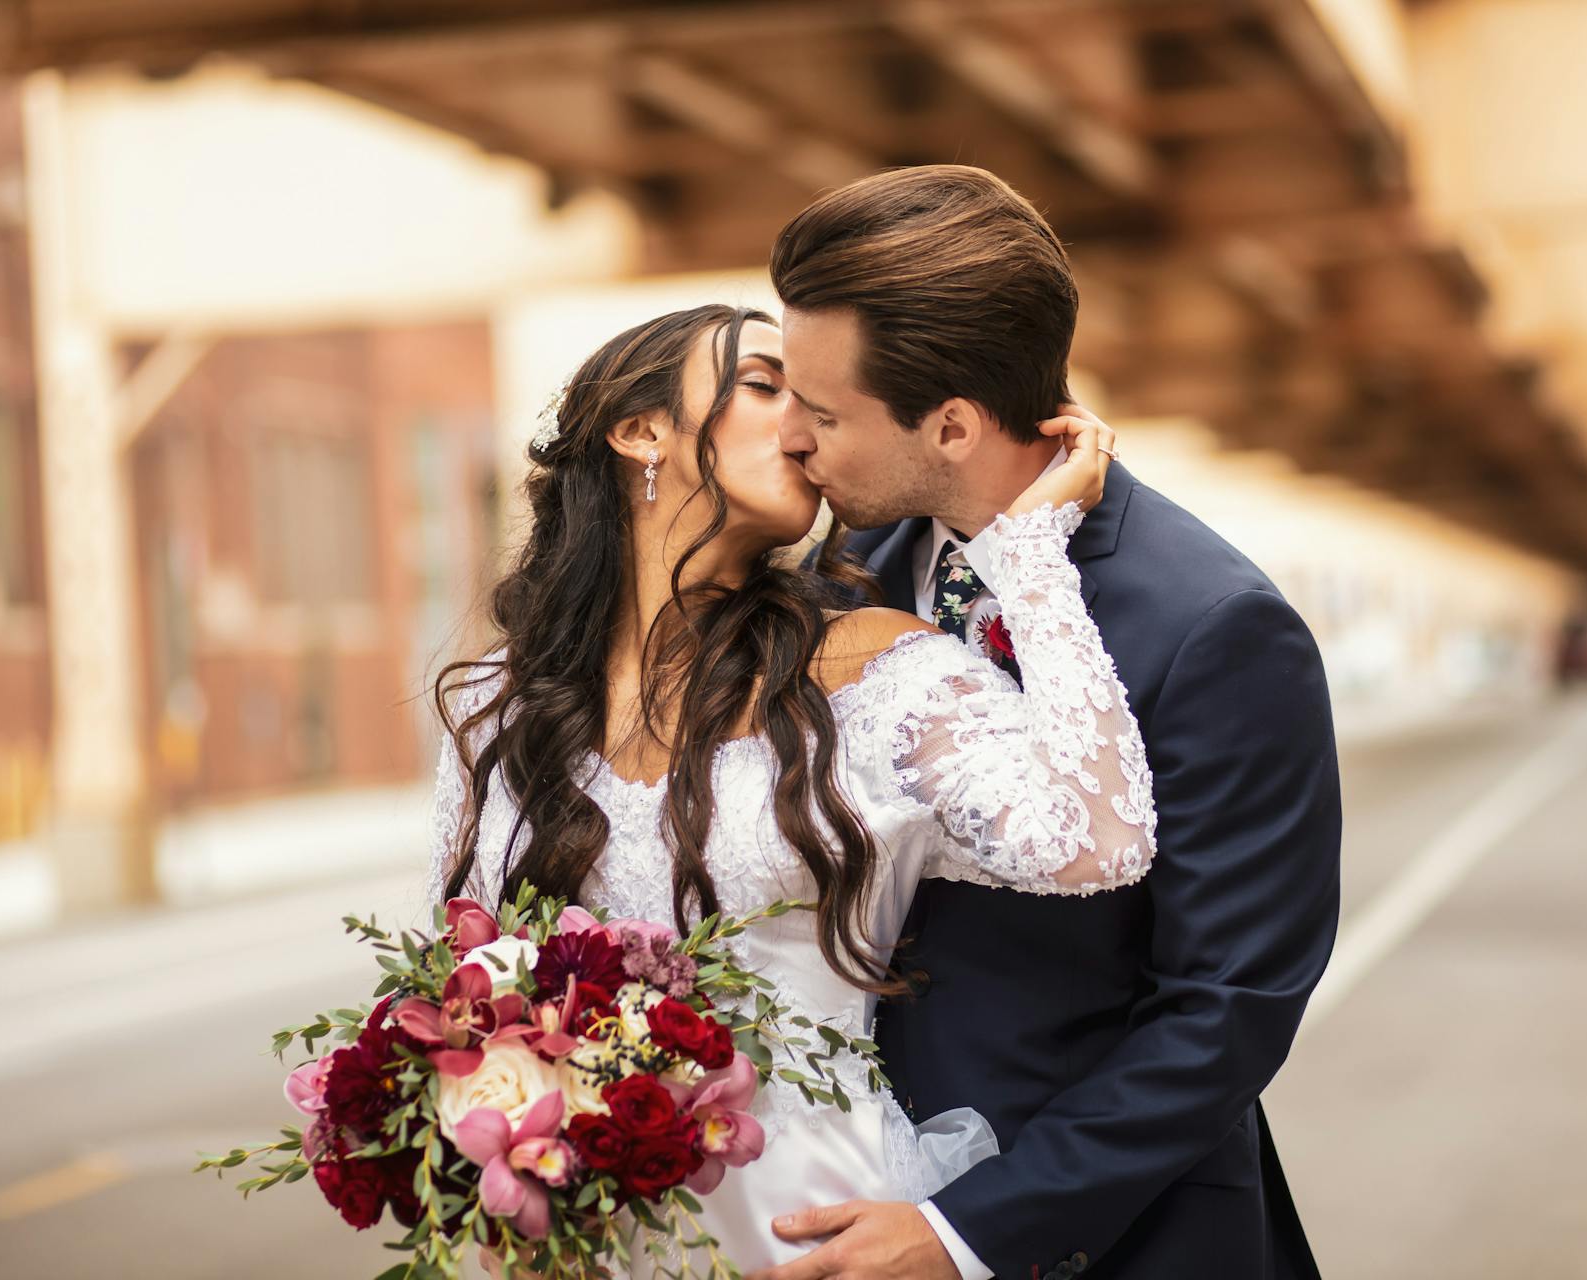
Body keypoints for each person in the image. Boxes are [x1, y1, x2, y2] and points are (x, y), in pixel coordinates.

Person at [424, 300, 1157, 1273]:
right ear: (643, 430)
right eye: (768, 385)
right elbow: (461, 987)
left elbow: (1099, 838)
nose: (804, 423)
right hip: (596, 1242)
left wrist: (1031, 559)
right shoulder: (500, 702)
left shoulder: (868, 669)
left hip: (816, 1230)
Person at [751, 165, 1340, 1280]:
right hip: (845, 1204)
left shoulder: (1216, 623)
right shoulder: (839, 584)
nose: (794, 438)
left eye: (823, 412)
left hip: (1115, 1238)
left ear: (955, 424)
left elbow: (1230, 1007)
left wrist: (970, 1230)